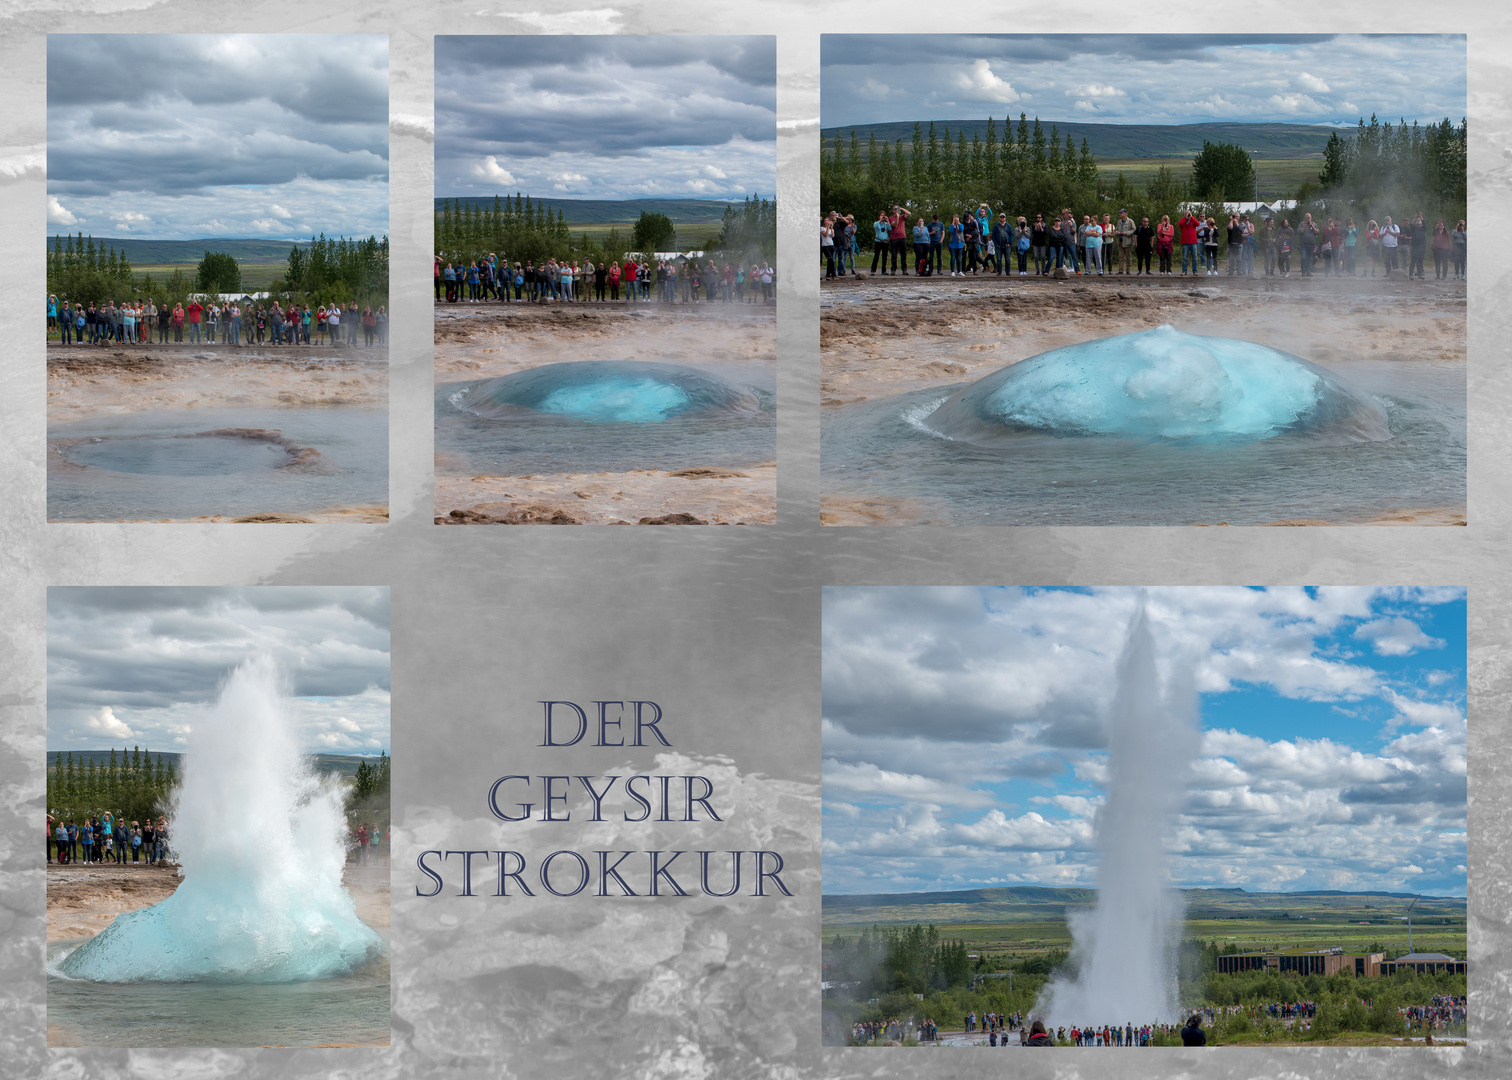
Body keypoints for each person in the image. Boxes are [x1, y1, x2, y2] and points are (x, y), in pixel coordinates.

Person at [1178, 210, 1201, 275]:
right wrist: (1185, 218)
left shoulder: (1193, 221)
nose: (1188, 215)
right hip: (1185, 242)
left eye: (1189, 214)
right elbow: (1179, 224)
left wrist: (1191, 217)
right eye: (1186, 214)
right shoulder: (1183, 221)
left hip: (1193, 241)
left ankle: (1195, 271)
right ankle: (1184, 271)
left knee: (1195, 257)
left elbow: (1197, 224)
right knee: (1185, 257)